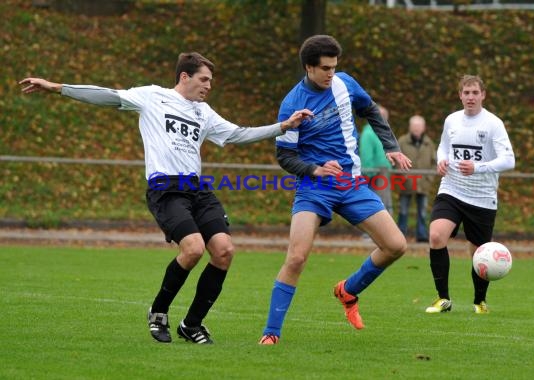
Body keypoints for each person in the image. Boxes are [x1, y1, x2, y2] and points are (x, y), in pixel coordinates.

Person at [19, 52, 312, 344]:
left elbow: (238, 134)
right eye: (204, 79)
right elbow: (107, 95)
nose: (209, 86)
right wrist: (57, 87)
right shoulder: (152, 96)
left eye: (210, 80)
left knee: (223, 251)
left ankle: (192, 324)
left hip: (197, 189)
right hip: (165, 190)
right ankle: (158, 312)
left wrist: (283, 126)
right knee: (194, 248)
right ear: (184, 77)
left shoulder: (203, 112)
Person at [258, 35, 412, 345]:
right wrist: (314, 168)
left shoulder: (345, 84)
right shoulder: (292, 104)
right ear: (309, 68)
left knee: (396, 245)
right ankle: (271, 333)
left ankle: (348, 291)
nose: (331, 74)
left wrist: (391, 147)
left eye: (334, 67)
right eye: (325, 69)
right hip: (314, 187)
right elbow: (285, 156)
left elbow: (370, 111)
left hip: (351, 183)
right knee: (297, 257)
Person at [425, 74, 515, 315]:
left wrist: (479, 167)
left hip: (482, 197)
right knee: (436, 236)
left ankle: (479, 301)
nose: (470, 97)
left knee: (479, 252)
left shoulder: (493, 123)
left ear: (483, 95)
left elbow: (509, 160)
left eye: (475, 92)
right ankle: (443, 299)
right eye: (466, 93)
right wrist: (441, 160)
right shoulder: (452, 120)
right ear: (460, 95)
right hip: (452, 189)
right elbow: (443, 146)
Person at [396, 115, 436, 242]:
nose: (416, 129)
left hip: (423, 184)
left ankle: (422, 235)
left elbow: (434, 162)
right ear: (410, 127)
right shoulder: (402, 141)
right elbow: (396, 160)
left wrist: (429, 178)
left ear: (423, 128)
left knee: (423, 211)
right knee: (403, 210)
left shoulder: (429, 143)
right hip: (405, 183)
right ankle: (400, 235)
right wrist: (403, 176)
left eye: (419, 127)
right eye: (414, 127)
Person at [359, 105, 394, 215]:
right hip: (374, 175)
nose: (383, 118)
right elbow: (366, 155)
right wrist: (370, 174)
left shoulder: (383, 132)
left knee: (385, 203)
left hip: (383, 173)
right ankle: (371, 232)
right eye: (381, 115)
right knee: (376, 204)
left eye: (385, 116)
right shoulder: (368, 133)